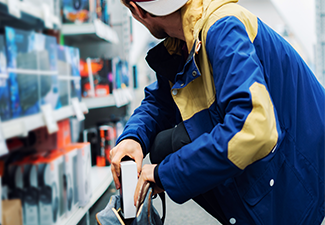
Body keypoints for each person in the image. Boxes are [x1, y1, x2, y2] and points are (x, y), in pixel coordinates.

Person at [110, 0, 325, 224]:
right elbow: (160, 101)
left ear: (137, 10)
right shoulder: (183, 40)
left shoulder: (223, 28)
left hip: (306, 173)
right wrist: (133, 138)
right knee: (164, 145)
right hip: (284, 162)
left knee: (174, 145)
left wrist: (164, 174)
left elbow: (254, 129)